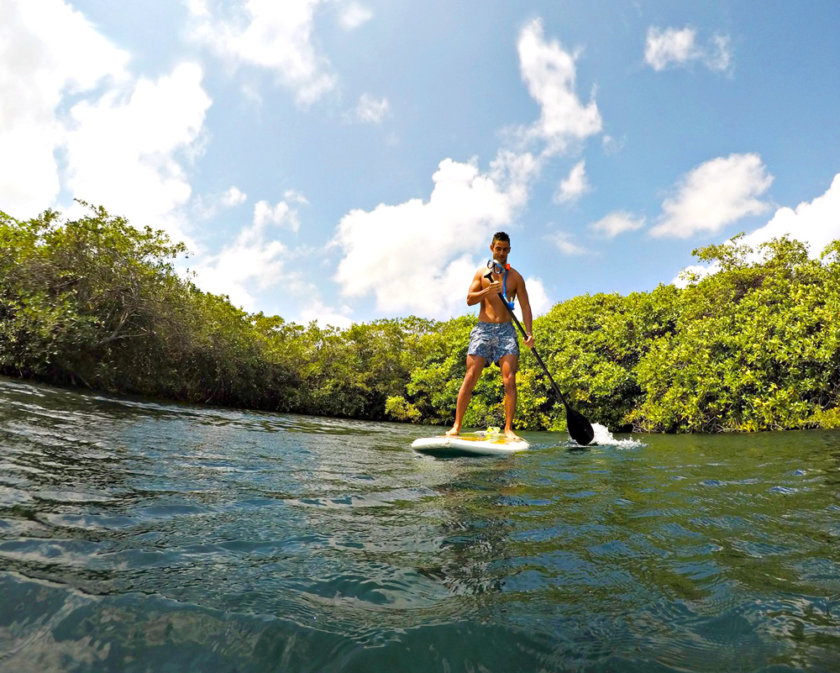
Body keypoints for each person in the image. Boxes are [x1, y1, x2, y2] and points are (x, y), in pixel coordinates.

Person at [446, 232, 535, 440]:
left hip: (506, 331)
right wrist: (487, 292)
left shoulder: (516, 277)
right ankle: (456, 426)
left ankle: (508, 429)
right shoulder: (481, 273)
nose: (501, 253)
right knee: (470, 377)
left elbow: (525, 306)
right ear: (491, 248)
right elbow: (469, 299)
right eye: (498, 248)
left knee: (509, 380)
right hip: (483, 329)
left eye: (505, 249)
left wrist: (529, 333)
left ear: (509, 251)